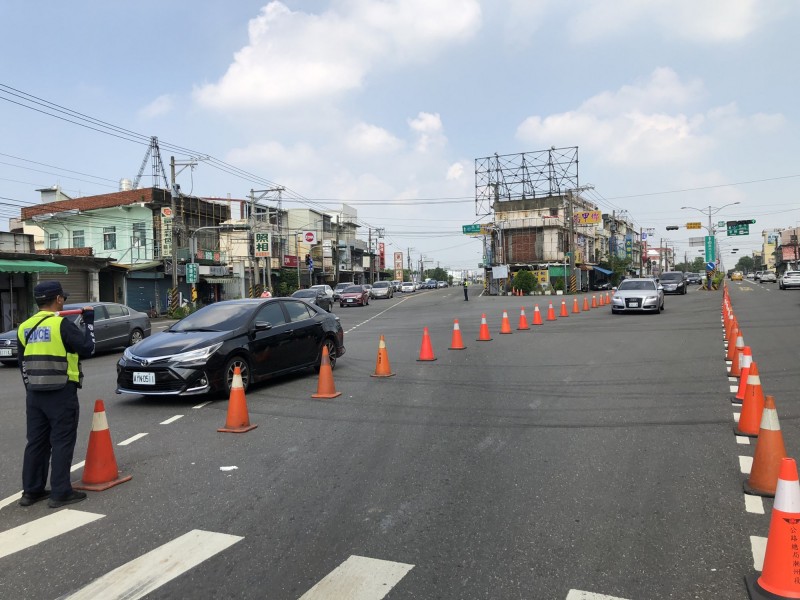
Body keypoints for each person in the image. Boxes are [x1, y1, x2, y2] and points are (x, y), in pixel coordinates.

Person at [17, 281, 95, 508]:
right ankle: (60, 492)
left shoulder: (24, 327)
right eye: (63, 297)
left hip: (34, 393)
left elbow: (22, 364)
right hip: (61, 392)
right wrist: (89, 323)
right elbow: (87, 348)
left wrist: (30, 389)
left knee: (36, 443)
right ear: (58, 300)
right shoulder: (61, 324)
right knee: (62, 441)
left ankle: (31, 491)